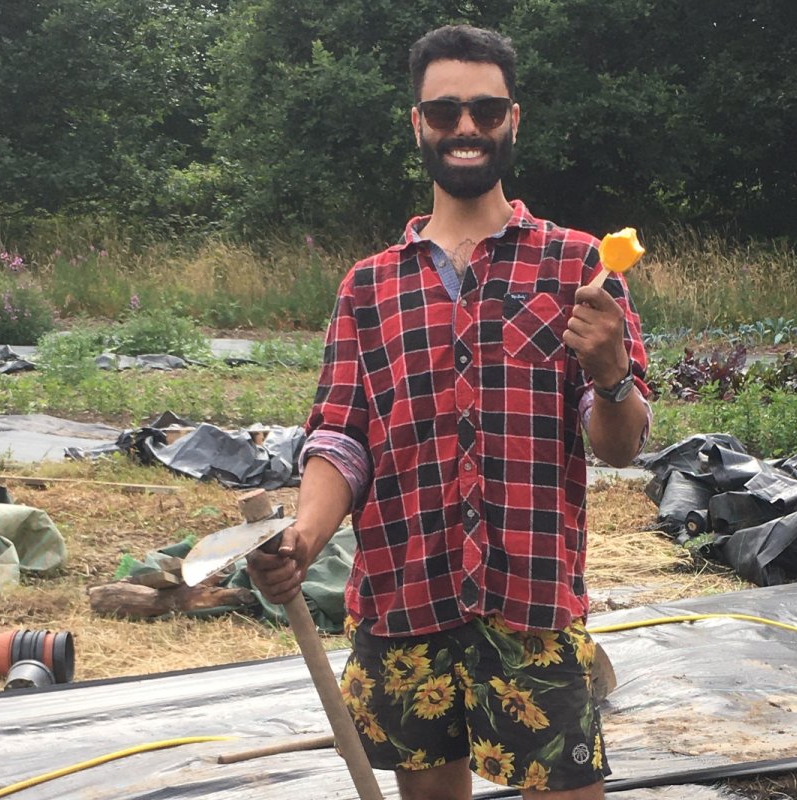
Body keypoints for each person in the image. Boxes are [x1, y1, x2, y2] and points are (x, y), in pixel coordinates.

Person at [247, 24, 650, 800]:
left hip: (530, 603)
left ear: (513, 120)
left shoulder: (580, 268)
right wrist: (304, 535)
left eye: (485, 110)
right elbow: (341, 439)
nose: (465, 127)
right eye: (444, 112)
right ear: (418, 124)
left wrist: (610, 375)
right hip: (405, 603)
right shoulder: (369, 287)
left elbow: (621, 446)